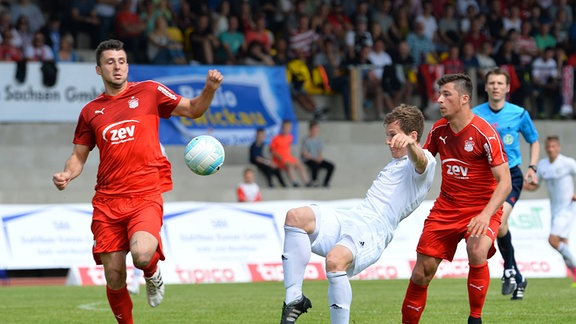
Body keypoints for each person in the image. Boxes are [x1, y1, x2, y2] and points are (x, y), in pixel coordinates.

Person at [52, 39, 223, 323]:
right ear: (98, 70)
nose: (117, 67)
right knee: (115, 275)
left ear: (127, 65)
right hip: (107, 201)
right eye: (110, 62)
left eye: (121, 61)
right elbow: (78, 155)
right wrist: (67, 174)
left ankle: (153, 273)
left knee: (142, 255)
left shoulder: (150, 91)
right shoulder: (90, 112)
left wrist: (210, 89)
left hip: (145, 194)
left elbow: (193, 109)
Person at [279, 104, 436, 324]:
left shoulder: (425, 160)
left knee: (335, 261)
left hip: (374, 229)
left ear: (412, 135)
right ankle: (294, 298)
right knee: (296, 217)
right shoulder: (395, 163)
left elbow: (420, 162)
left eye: (392, 135)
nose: (387, 141)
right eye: (387, 135)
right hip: (354, 217)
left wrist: (411, 145)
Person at [401, 73, 511, 323]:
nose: (439, 100)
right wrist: (410, 147)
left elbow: (505, 183)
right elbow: (423, 166)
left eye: (446, 94)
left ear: (464, 98)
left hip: (482, 208)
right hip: (446, 209)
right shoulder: (439, 129)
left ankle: (475, 318)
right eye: (439, 95)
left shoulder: (485, 133)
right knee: (421, 273)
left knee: (476, 249)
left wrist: (485, 215)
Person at [473, 67, 540, 300]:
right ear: (485, 87)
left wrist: (532, 167)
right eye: (491, 83)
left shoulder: (519, 113)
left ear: (508, 88)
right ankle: (517, 276)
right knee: (497, 227)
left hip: (510, 176)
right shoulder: (475, 114)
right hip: (485, 178)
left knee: (499, 223)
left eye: (500, 83)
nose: (495, 87)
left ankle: (509, 270)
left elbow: (534, 141)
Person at [523, 136, 576, 287]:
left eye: (553, 146)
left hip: (567, 208)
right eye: (548, 147)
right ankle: (575, 277)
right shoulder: (543, 165)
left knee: (553, 240)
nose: (551, 149)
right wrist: (524, 187)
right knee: (564, 243)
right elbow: (535, 186)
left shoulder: (568, 163)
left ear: (558, 147)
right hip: (554, 209)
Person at [270, 119, 310, 188]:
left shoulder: (290, 137)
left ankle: (306, 182)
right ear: (282, 128)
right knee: (290, 165)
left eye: (289, 127)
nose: (287, 129)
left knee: (301, 165)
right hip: (279, 159)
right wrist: (278, 156)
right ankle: (294, 182)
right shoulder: (276, 138)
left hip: (288, 157)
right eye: (286, 127)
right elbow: (271, 150)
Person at [300, 120, 335, 188]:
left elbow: (320, 152)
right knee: (315, 164)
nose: (315, 131)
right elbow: (304, 153)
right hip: (309, 159)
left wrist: (319, 158)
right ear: (310, 129)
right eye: (314, 129)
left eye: (316, 129)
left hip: (317, 158)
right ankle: (314, 181)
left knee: (331, 166)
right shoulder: (306, 140)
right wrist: (314, 158)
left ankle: (326, 183)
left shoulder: (319, 140)